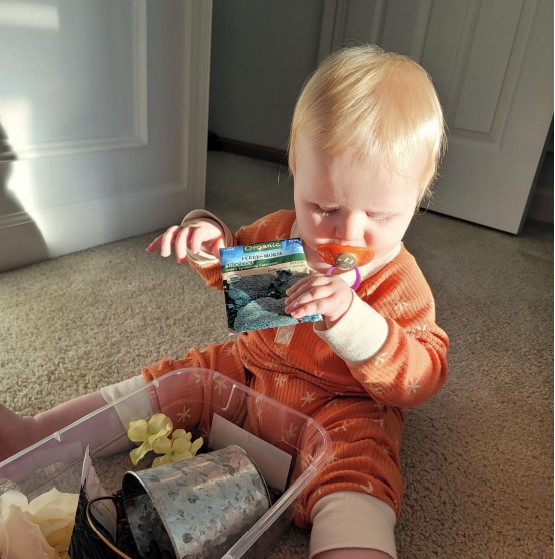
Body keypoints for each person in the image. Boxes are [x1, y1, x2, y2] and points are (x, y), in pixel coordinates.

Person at [0, 45, 448, 559]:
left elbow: (421, 376)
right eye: (323, 207)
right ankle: (35, 435)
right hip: (249, 374)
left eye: (381, 216)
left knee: (361, 475)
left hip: (342, 410)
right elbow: (237, 272)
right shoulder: (282, 233)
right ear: (295, 167)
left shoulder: (399, 280)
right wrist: (211, 242)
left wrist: (353, 321)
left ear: (418, 196)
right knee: (171, 380)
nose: (345, 234)